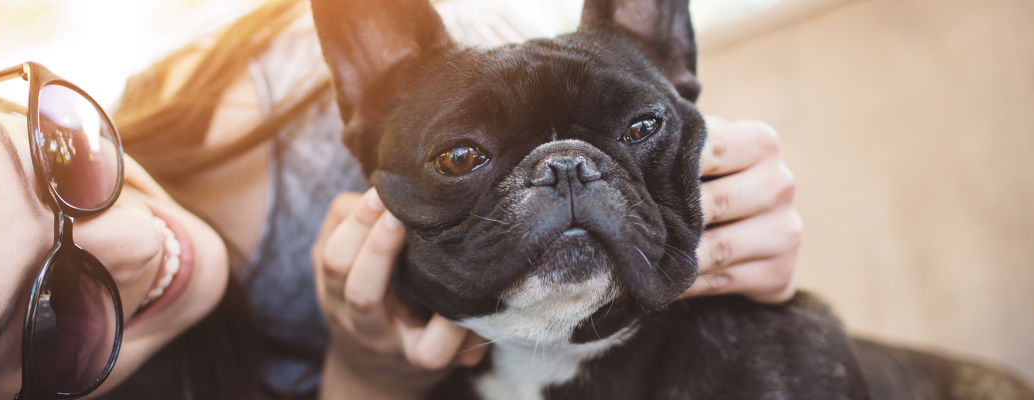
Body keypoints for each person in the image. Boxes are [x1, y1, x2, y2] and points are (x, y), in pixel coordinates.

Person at [0, 2, 800, 400]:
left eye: (59, 154)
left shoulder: (298, 88)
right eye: (53, 315)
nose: (138, 237)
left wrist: (726, 219)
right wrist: (363, 377)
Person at [103, 0, 802, 399]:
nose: (567, 180)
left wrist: (728, 200)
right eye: (463, 158)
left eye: (640, 127)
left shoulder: (269, 91)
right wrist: (361, 378)